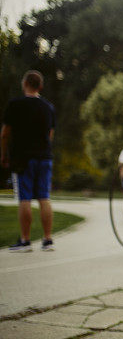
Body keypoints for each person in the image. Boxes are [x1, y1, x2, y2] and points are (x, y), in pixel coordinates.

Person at [1, 70, 56, 252]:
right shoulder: (48, 107)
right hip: (44, 157)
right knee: (44, 197)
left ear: (24, 84)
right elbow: (50, 135)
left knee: (24, 198)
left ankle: (25, 240)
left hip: (23, 158)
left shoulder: (15, 105)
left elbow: (5, 134)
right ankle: (47, 239)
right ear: (40, 86)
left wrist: (4, 154)